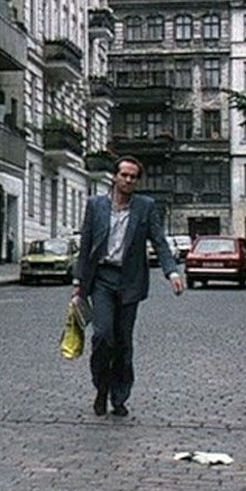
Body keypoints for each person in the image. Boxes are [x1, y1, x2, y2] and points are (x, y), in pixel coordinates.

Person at [73, 155, 183, 417]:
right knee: (102, 336)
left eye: (133, 177)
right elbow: (86, 245)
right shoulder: (96, 205)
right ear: (115, 176)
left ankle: (119, 396)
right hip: (101, 279)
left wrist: (171, 272)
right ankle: (101, 388)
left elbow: (159, 241)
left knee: (123, 342)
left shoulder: (145, 207)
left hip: (130, 282)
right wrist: (79, 283)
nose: (128, 180)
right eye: (124, 175)